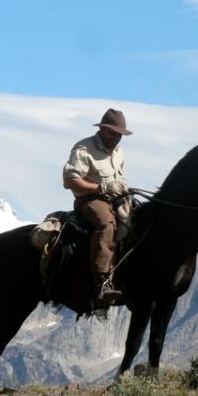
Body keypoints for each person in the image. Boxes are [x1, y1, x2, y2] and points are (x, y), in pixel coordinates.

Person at [63, 108, 132, 305]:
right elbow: (70, 181)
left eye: (120, 134)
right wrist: (101, 187)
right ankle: (101, 282)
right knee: (106, 224)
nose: (117, 138)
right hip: (90, 199)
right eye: (113, 133)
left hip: (116, 198)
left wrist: (122, 189)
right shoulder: (84, 149)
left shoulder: (119, 153)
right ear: (102, 128)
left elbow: (121, 178)